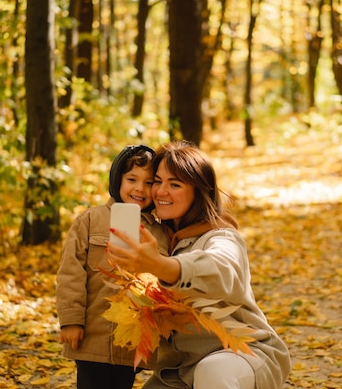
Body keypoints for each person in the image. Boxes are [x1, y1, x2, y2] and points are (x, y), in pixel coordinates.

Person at [107, 140, 292, 389]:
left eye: (175, 184)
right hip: (178, 372)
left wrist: (162, 266)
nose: (161, 191)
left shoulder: (221, 236)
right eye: (157, 181)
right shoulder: (156, 239)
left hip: (241, 356)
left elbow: (223, 268)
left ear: (198, 191)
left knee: (213, 372)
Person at [56, 145, 169, 389]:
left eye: (149, 183)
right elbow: (70, 273)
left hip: (130, 341)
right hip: (91, 337)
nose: (140, 188)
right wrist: (71, 320)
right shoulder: (90, 220)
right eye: (131, 179)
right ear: (117, 179)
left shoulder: (160, 231)